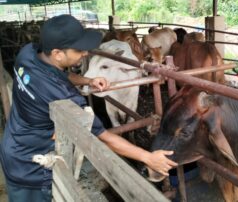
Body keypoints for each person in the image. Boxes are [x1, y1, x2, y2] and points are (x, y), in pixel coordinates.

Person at [0, 15, 177, 202]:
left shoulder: (27, 53)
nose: (85, 53)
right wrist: (147, 157)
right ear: (58, 53)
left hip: (12, 143)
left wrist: (87, 80)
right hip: (30, 168)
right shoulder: (65, 97)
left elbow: (58, 76)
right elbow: (104, 137)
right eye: (79, 50)